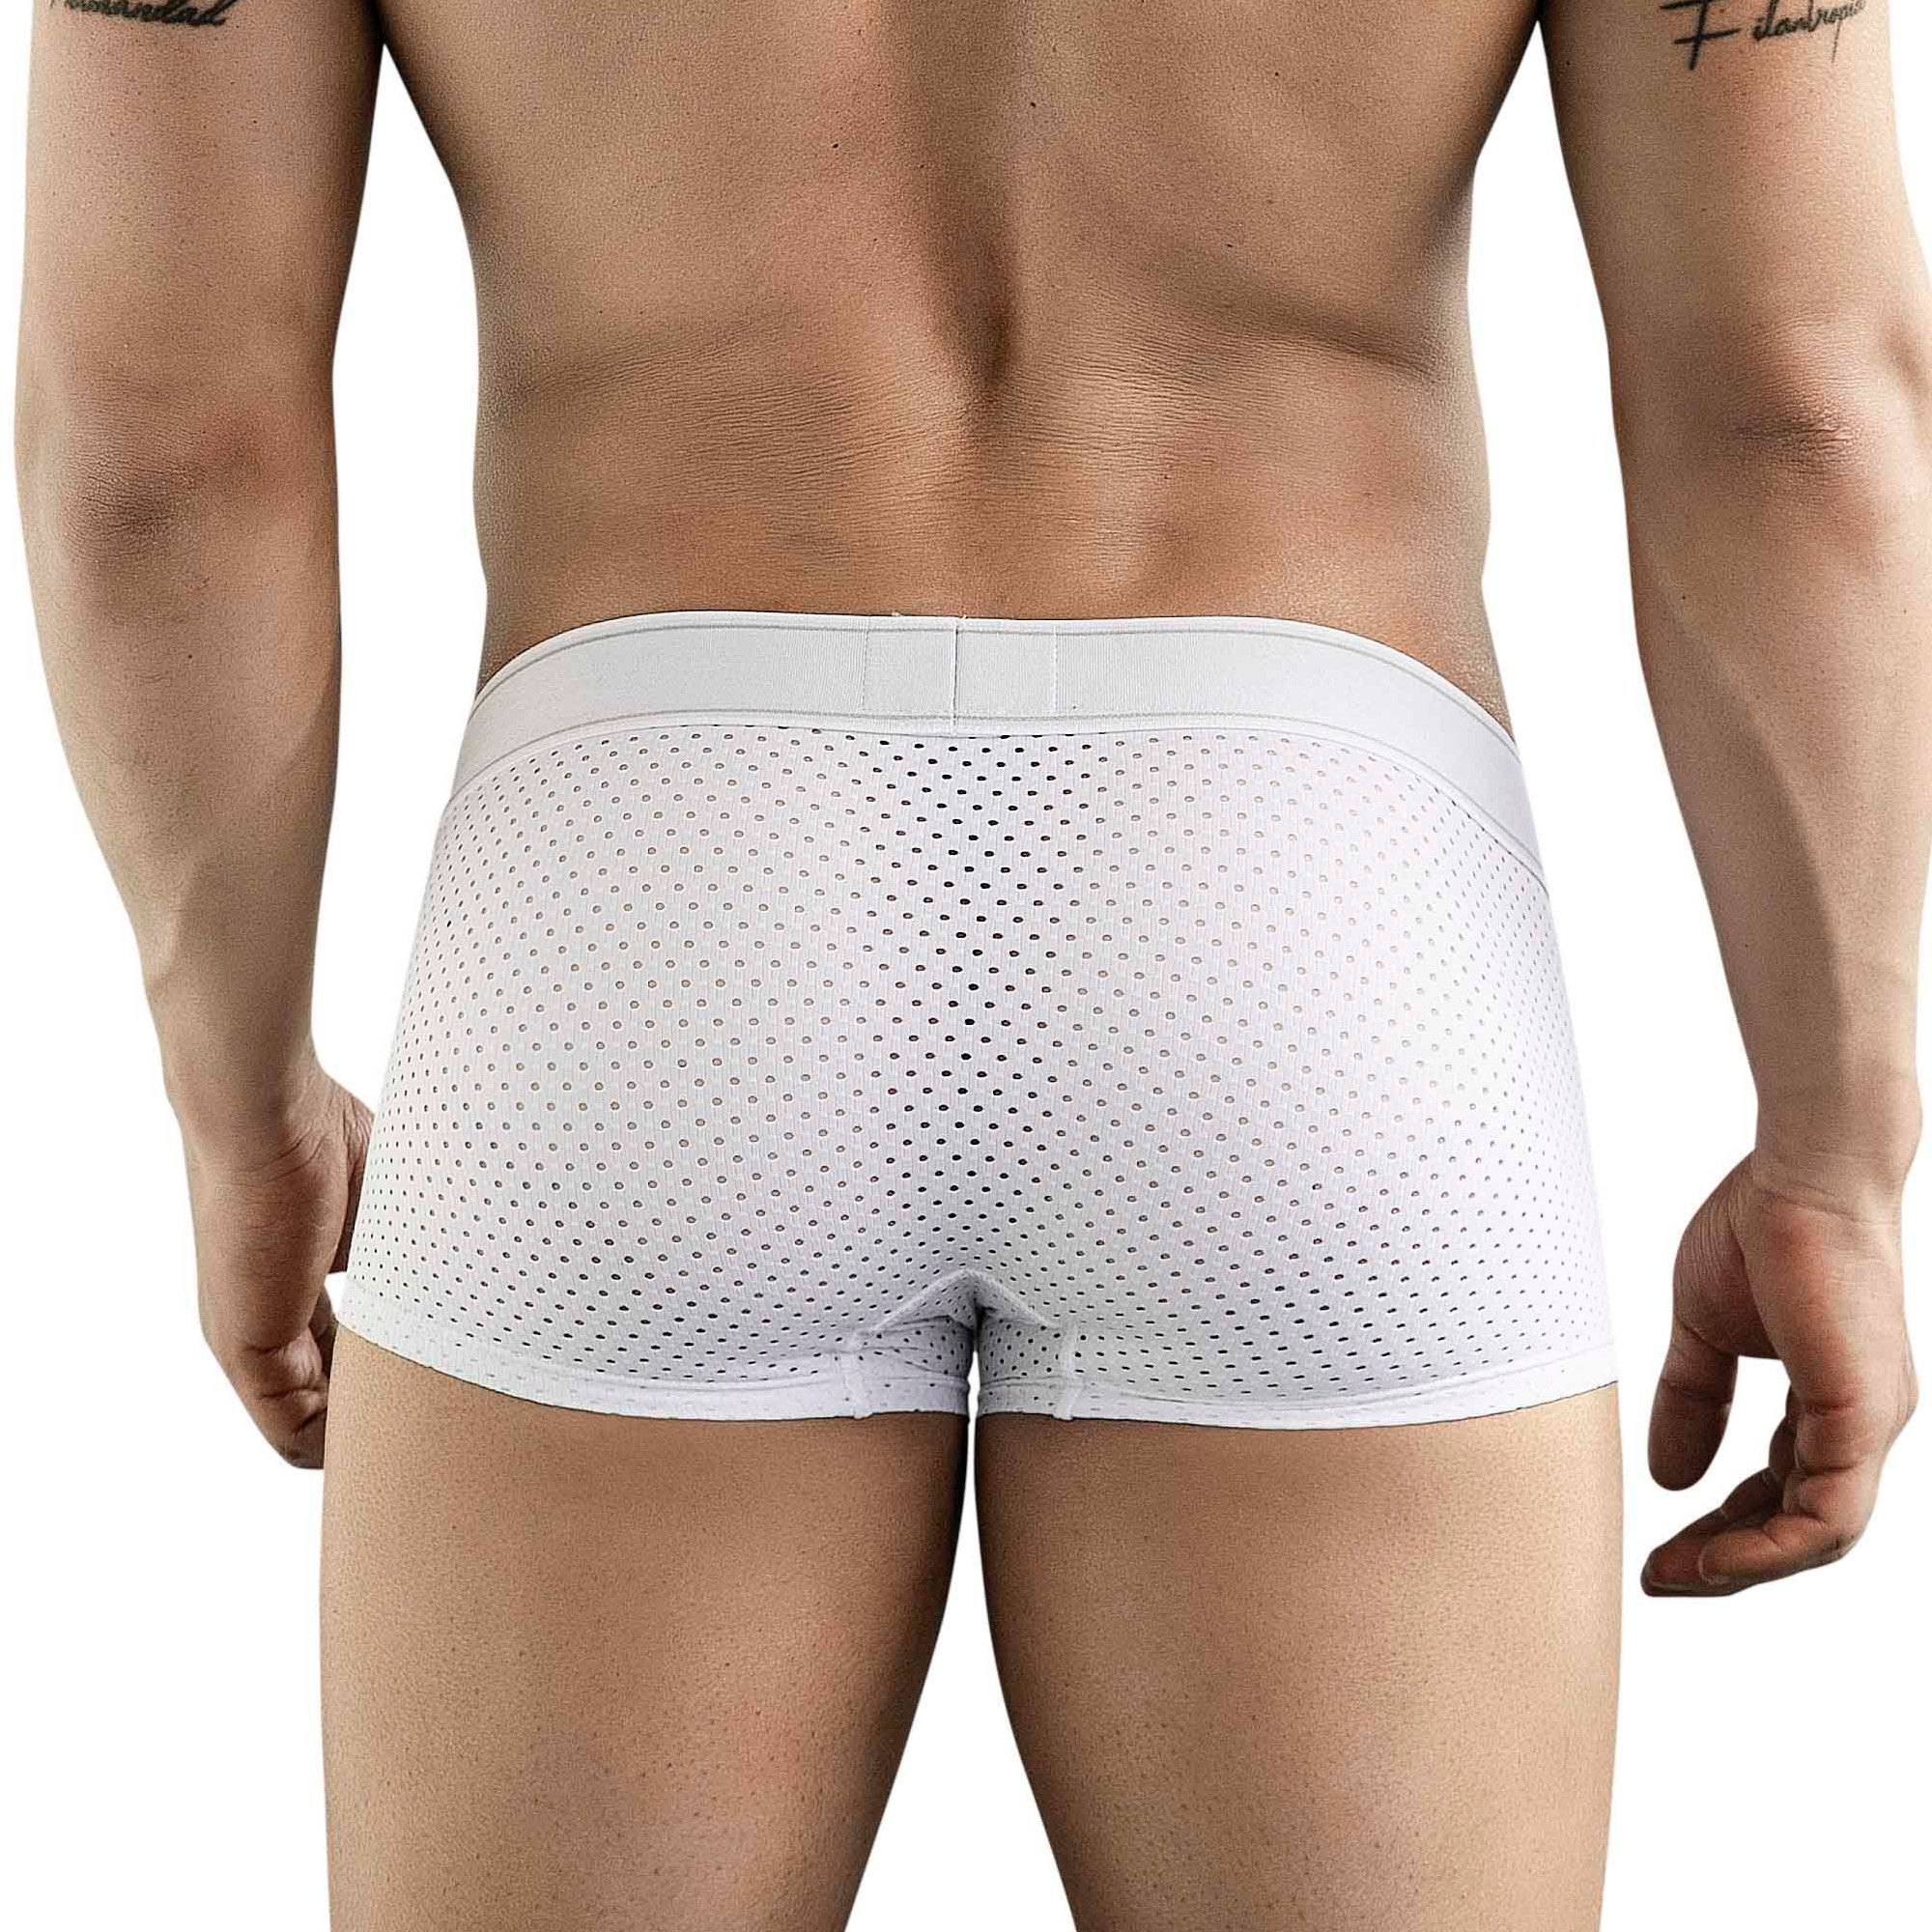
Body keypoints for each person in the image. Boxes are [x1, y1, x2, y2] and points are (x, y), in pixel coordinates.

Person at [15, 2, 1927, 1926]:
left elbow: (159, 449)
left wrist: (239, 1096)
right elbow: (1796, 407)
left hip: (648, 920)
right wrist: (1834, 1146)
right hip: (1310, 907)